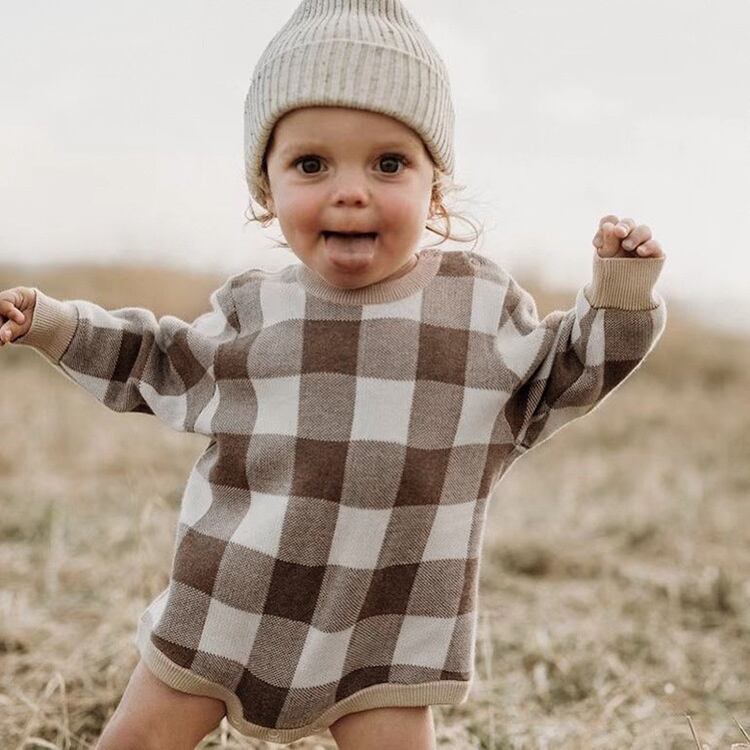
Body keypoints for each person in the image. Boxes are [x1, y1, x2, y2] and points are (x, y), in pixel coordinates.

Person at [0, 0, 667, 748]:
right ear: (267, 189)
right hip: (229, 602)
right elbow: (156, 358)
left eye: (389, 163)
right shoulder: (256, 311)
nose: (351, 190)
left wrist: (620, 290)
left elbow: (568, 371)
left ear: (435, 187)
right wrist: (54, 324)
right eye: (311, 164)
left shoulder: (477, 310)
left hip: (389, 622)